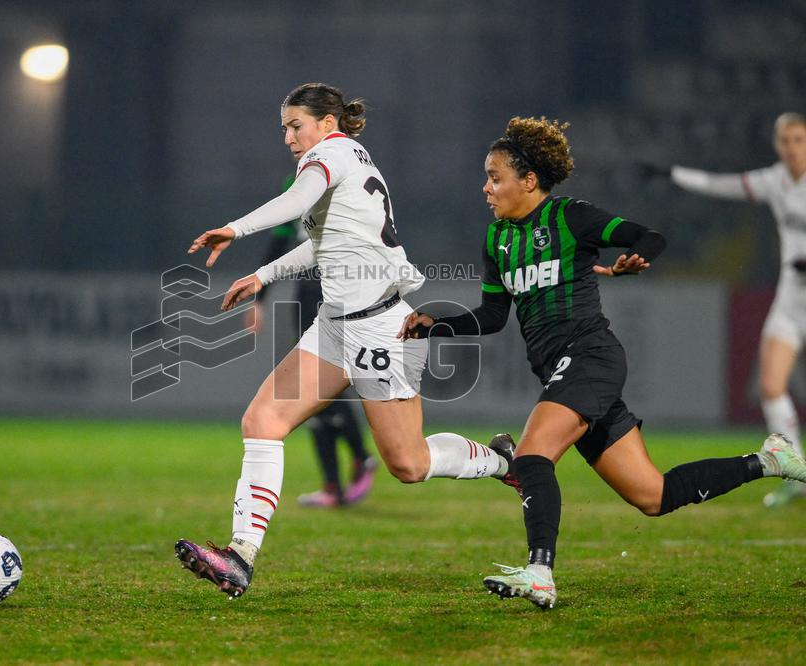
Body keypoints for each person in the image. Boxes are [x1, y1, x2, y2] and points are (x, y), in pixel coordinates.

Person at [400, 116, 806, 609]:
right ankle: (768, 461)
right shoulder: (498, 241)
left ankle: (539, 573)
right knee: (653, 496)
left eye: (495, 177)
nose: (486, 187)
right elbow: (491, 316)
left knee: (532, 458)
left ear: (529, 181)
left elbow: (648, 236)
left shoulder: (571, 217)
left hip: (590, 356)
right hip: (564, 372)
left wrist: (633, 258)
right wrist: (437, 324)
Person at [176, 82, 514, 598]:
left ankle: (503, 461)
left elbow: (295, 203)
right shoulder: (339, 159)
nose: (289, 137)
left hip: (381, 326)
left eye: (296, 125)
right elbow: (321, 245)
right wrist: (264, 276)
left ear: (327, 124)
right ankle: (240, 556)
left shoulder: (330, 155)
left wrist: (233, 229)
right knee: (262, 421)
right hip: (335, 326)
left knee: (409, 463)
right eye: (284, 128)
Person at [642, 112, 806, 508]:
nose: (791, 148)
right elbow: (724, 185)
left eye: (799, 140)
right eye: (785, 141)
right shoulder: (775, 180)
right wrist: (674, 173)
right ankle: (797, 472)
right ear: (776, 145)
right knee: (771, 385)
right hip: (791, 300)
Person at [248, 206, 377, 508]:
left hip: (333, 291)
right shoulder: (297, 183)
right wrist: (260, 299)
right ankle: (335, 482)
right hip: (306, 290)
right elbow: (279, 243)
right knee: (312, 387)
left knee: (319, 383)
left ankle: (360, 456)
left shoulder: (339, 177)